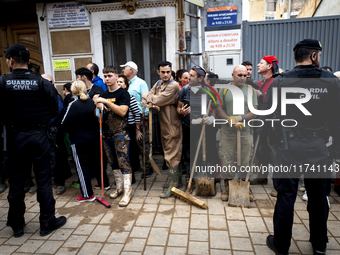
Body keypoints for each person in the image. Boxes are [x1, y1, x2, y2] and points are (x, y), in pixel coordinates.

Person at [259, 39, 340, 255]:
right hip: (318, 145)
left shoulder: (282, 81)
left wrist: (273, 140)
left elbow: (266, 113)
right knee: (317, 194)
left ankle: (282, 245)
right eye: (319, 55)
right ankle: (320, 245)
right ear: (314, 56)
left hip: (289, 145)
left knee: (286, 194)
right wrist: (334, 148)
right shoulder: (331, 81)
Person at [0, 44, 66, 237]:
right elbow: (56, 109)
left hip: (15, 138)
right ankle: (47, 222)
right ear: (28, 62)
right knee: (44, 180)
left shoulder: (3, 83)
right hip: (40, 137)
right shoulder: (42, 82)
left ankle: (17, 225)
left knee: (16, 182)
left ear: (11, 61)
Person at [216, 65, 258, 201]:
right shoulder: (224, 89)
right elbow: (219, 108)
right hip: (227, 132)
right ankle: (228, 187)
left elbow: (254, 111)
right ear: (233, 75)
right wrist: (229, 119)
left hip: (245, 131)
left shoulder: (251, 91)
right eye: (239, 75)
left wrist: (242, 118)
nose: (243, 78)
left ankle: (245, 186)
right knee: (227, 159)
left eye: (245, 75)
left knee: (246, 160)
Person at [142, 61, 182, 198]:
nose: (165, 74)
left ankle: (173, 185)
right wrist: (151, 99)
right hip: (163, 124)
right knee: (169, 152)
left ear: (172, 72)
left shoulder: (174, 85)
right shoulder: (159, 83)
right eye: (163, 72)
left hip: (172, 125)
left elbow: (154, 99)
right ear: (158, 72)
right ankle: (176, 180)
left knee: (172, 154)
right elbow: (147, 97)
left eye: (168, 72)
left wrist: (152, 100)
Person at [94, 66, 132, 207]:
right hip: (106, 134)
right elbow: (96, 115)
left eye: (110, 75)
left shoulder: (123, 94)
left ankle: (128, 192)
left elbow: (122, 112)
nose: (107, 79)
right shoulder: (103, 94)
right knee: (113, 164)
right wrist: (97, 107)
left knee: (124, 163)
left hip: (120, 134)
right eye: (105, 76)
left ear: (116, 76)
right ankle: (119, 188)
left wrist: (106, 102)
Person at [61, 80, 98, 202]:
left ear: (73, 91)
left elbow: (64, 122)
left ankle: (87, 194)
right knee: (89, 164)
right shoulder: (91, 102)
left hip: (78, 139)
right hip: (92, 137)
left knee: (81, 167)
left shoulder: (74, 104)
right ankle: (95, 188)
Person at [251, 55, 279, 188]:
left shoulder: (277, 82)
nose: (258, 65)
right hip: (259, 122)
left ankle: (279, 183)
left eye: (261, 63)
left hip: (271, 125)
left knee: (273, 153)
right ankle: (262, 177)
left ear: (269, 66)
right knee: (260, 150)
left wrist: (261, 96)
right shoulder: (259, 83)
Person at [120, 61, 152, 178]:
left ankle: (147, 167)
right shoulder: (126, 83)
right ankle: (136, 165)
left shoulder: (140, 83)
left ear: (131, 70)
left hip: (140, 116)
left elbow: (147, 100)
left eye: (125, 68)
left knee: (142, 143)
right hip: (129, 118)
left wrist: (146, 117)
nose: (123, 70)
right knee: (133, 144)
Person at [42, 74, 71, 195]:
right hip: (45, 132)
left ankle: (60, 182)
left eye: (49, 82)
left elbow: (57, 113)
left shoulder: (56, 97)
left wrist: (43, 121)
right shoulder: (41, 95)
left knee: (58, 156)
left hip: (55, 131)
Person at [117, 74, 141, 184]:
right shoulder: (115, 97)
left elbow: (137, 113)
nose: (118, 84)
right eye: (117, 82)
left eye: (121, 82)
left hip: (129, 128)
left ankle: (131, 177)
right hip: (118, 128)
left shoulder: (129, 96)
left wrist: (137, 128)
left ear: (126, 85)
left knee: (129, 153)